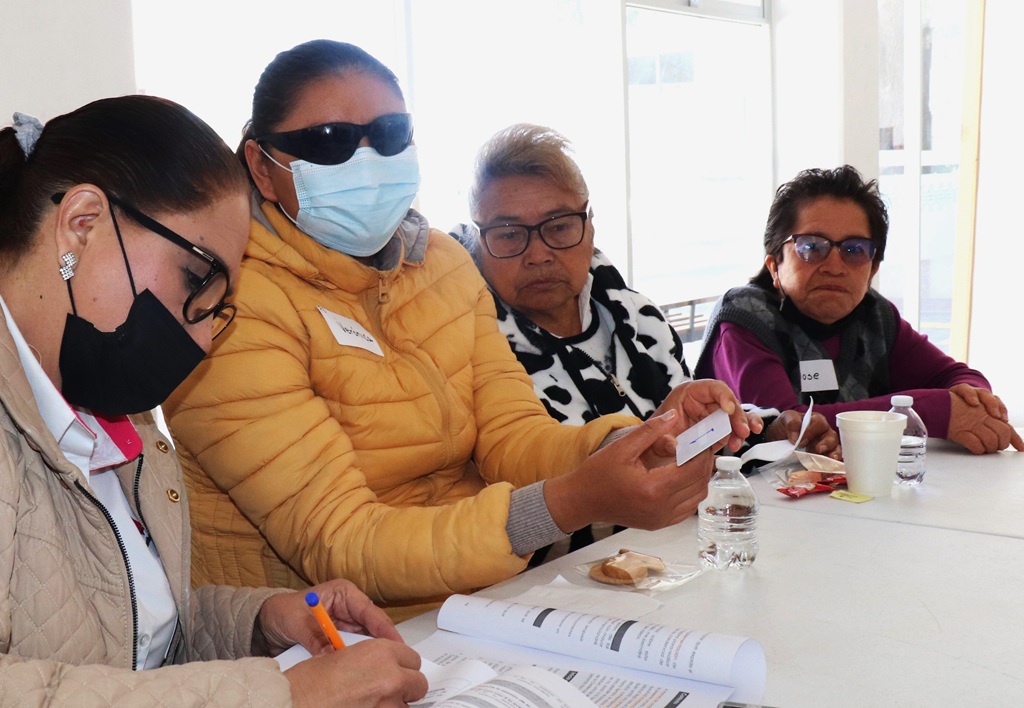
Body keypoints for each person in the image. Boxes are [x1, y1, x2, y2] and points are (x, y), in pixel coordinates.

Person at [163, 40, 755, 619]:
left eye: (391, 135)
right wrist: (572, 501)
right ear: (262, 170)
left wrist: (638, 441)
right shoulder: (230, 304)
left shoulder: (441, 263)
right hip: (325, 640)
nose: (367, 161)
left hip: (478, 608)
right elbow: (339, 542)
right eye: (330, 142)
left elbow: (513, 437)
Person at [0, 99, 426, 706]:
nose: (200, 339)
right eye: (197, 282)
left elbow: (123, 633)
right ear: (83, 222)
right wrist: (279, 697)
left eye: (217, 307)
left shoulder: (112, 405)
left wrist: (264, 622)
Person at [458, 124, 839, 560]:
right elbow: (511, 505)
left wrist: (760, 427)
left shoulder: (638, 318)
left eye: (559, 227)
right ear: (477, 241)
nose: (539, 253)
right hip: (558, 577)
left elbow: (685, 442)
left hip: (674, 554)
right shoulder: (469, 342)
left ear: (590, 227)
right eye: (509, 234)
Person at [695, 165, 1023, 455]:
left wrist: (973, 401)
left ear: (873, 269)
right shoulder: (744, 317)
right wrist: (936, 411)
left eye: (855, 250)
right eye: (811, 247)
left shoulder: (875, 316)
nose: (834, 266)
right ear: (775, 265)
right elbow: (789, 426)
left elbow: (958, 377)